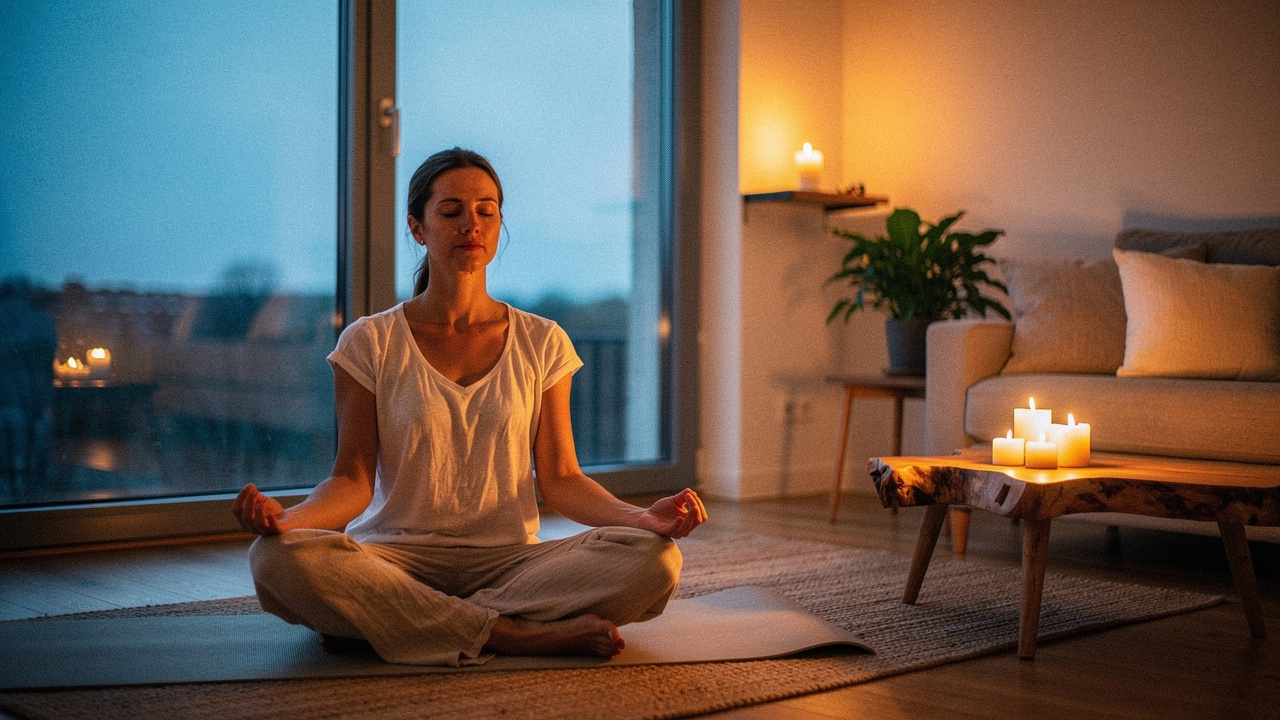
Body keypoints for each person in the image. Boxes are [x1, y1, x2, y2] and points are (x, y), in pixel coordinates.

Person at [232, 147, 706, 666]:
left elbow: (563, 480)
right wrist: (290, 521)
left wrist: (644, 519)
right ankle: (513, 634)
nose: (471, 225)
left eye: (486, 211)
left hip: (509, 563)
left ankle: (394, 622)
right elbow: (351, 483)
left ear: (500, 224)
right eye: (451, 211)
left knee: (655, 562)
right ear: (418, 227)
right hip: (393, 557)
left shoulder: (543, 340)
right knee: (276, 560)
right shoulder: (368, 342)